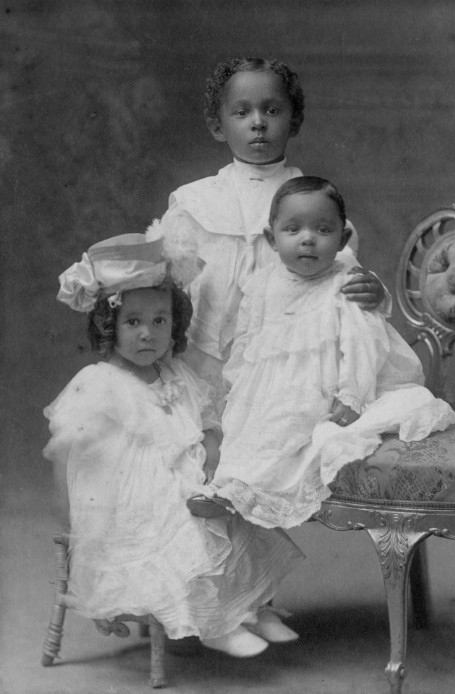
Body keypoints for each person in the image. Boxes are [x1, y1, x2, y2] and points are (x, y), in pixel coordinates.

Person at [42, 229, 304, 658]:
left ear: (174, 323)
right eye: (133, 322)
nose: (148, 334)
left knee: (231, 506)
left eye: (159, 321)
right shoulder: (101, 384)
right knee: (188, 523)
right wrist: (77, 520)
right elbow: (73, 456)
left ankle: (248, 609)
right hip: (129, 502)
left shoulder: (176, 374)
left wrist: (211, 452)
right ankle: (210, 624)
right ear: (109, 326)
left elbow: (206, 422)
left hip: (187, 475)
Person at [188, 177, 455, 528]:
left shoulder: (346, 281)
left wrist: (351, 395)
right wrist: (237, 389)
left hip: (328, 387)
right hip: (273, 388)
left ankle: (241, 489)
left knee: (292, 432)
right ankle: (230, 488)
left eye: (323, 229)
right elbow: (248, 344)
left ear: (343, 238)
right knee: (250, 430)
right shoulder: (263, 285)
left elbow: (363, 343)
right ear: (272, 239)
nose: (307, 238)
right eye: (292, 229)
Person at [147, 57, 387, 415]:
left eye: (272, 110)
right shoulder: (193, 204)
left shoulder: (313, 207)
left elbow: (342, 284)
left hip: (281, 364)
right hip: (201, 357)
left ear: (294, 121)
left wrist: (374, 292)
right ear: (217, 126)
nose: (258, 123)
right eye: (242, 113)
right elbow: (163, 288)